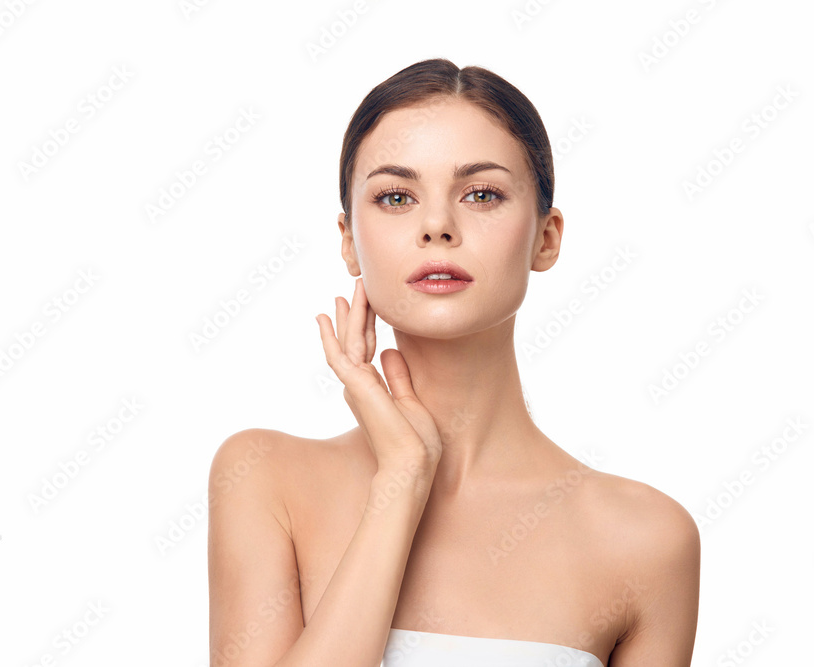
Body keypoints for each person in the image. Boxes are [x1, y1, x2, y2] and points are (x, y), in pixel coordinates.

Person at [208, 57, 700, 667]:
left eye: (482, 194)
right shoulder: (266, 478)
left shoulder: (646, 539)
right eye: (395, 197)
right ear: (347, 239)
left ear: (546, 238)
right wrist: (401, 479)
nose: (438, 226)